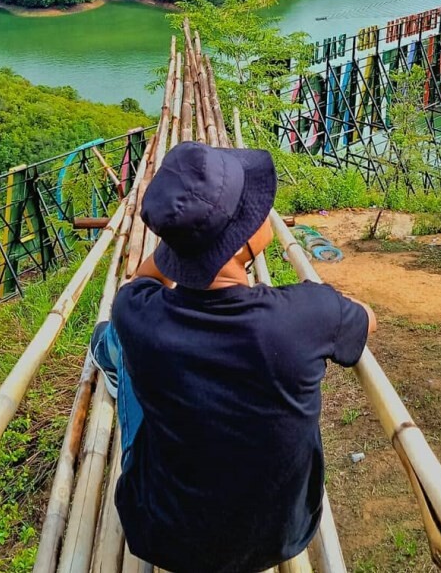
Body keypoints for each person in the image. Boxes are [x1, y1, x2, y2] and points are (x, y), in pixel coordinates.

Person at [90, 141, 376, 573]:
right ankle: (113, 356)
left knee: (118, 339)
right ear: (243, 240)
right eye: (257, 208)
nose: (266, 211)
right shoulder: (308, 315)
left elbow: (138, 282)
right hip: (282, 535)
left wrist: (183, 248)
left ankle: (109, 358)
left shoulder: (138, 313)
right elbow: (368, 320)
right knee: (127, 342)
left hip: (162, 535)